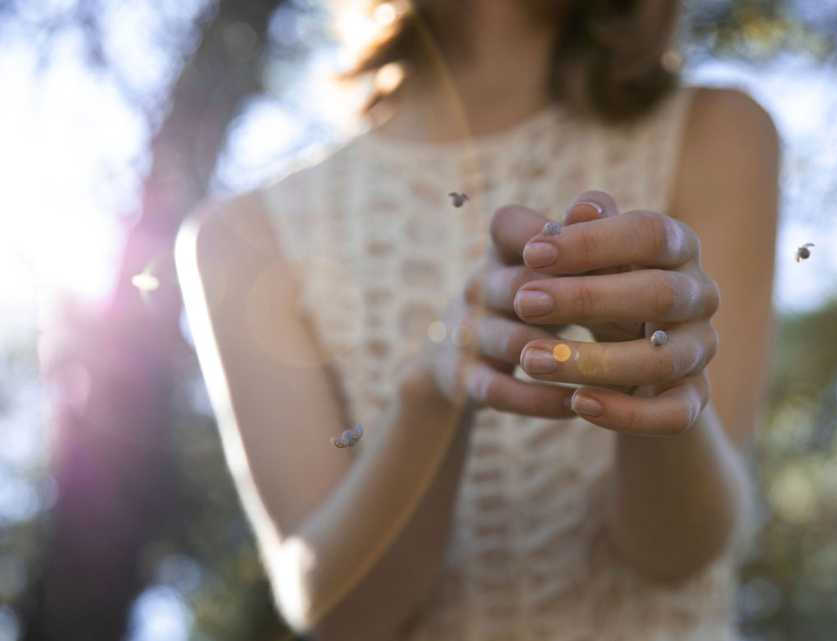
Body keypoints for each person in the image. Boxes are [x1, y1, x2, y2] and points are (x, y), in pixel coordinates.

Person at [176, 0, 778, 638]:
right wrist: (432, 392)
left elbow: (676, 554)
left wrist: (648, 377)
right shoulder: (244, 239)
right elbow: (340, 614)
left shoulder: (717, 132)